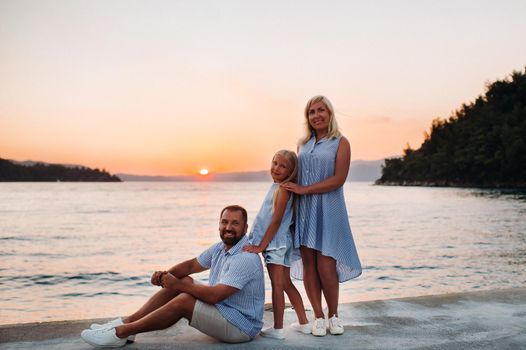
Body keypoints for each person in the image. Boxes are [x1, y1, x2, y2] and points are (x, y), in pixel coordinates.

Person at [80, 205, 265, 347]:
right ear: (219, 224)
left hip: (241, 327)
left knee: (184, 297)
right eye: (224, 222)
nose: (228, 227)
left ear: (245, 227)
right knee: (184, 280)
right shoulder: (220, 248)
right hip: (223, 312)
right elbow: (192, 265)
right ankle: (127, 323)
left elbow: (215, 295)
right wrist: (165, 276)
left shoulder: (245, 257)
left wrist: (176, 285)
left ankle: (120, 332)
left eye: (235, 223)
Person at [281, 96, 362, 337]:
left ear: (330, 113)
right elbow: (295, 177)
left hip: (330, 209)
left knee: (327, 264)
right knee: (309, 265)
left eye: (321, 110)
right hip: (305, 210)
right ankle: (317, 316)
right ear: (308, 117)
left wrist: (305, 189)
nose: (316, 115)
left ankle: (333, 315)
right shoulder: (303, 144)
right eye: (311, 112)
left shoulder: (341, 142)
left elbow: (339, 180)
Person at [243, 150, 310, 340]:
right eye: (274, 163)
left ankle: (278, 329)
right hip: (280, 243)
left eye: (283, 166)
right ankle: (304, 323)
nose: (276, 168)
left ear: (291, 171)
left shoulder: (282, 190)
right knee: (286, 284)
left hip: (275, 244)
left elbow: (276, 221)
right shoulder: (278, 187)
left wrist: (260, 246)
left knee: (277, 286)